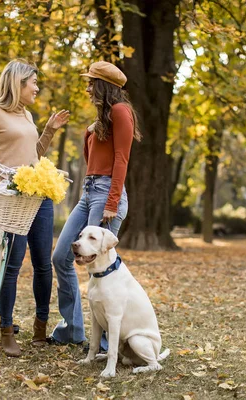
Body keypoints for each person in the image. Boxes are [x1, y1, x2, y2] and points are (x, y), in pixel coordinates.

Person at [0, 59, 69, 357]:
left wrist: (49, 130)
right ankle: (6, 329)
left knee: (43, 264)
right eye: (33, 82)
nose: (37, 87)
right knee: (13, 264)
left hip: (40, 196)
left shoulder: (27, 114)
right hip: (13, 196)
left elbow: (33, 154)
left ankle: (40, 327)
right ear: (18, 83)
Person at [50, 61, 142, 346]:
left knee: (101, 268)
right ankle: (74, 329)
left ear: (103, 86)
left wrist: (112, 201)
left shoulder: (120, 111)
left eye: (92, 83)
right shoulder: (104, 118)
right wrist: (90, 132)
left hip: (106, 194)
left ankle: (103, 344)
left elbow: (121, 159)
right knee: (61, 257)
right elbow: (91, 160)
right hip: (89, 191)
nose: (88, 88)